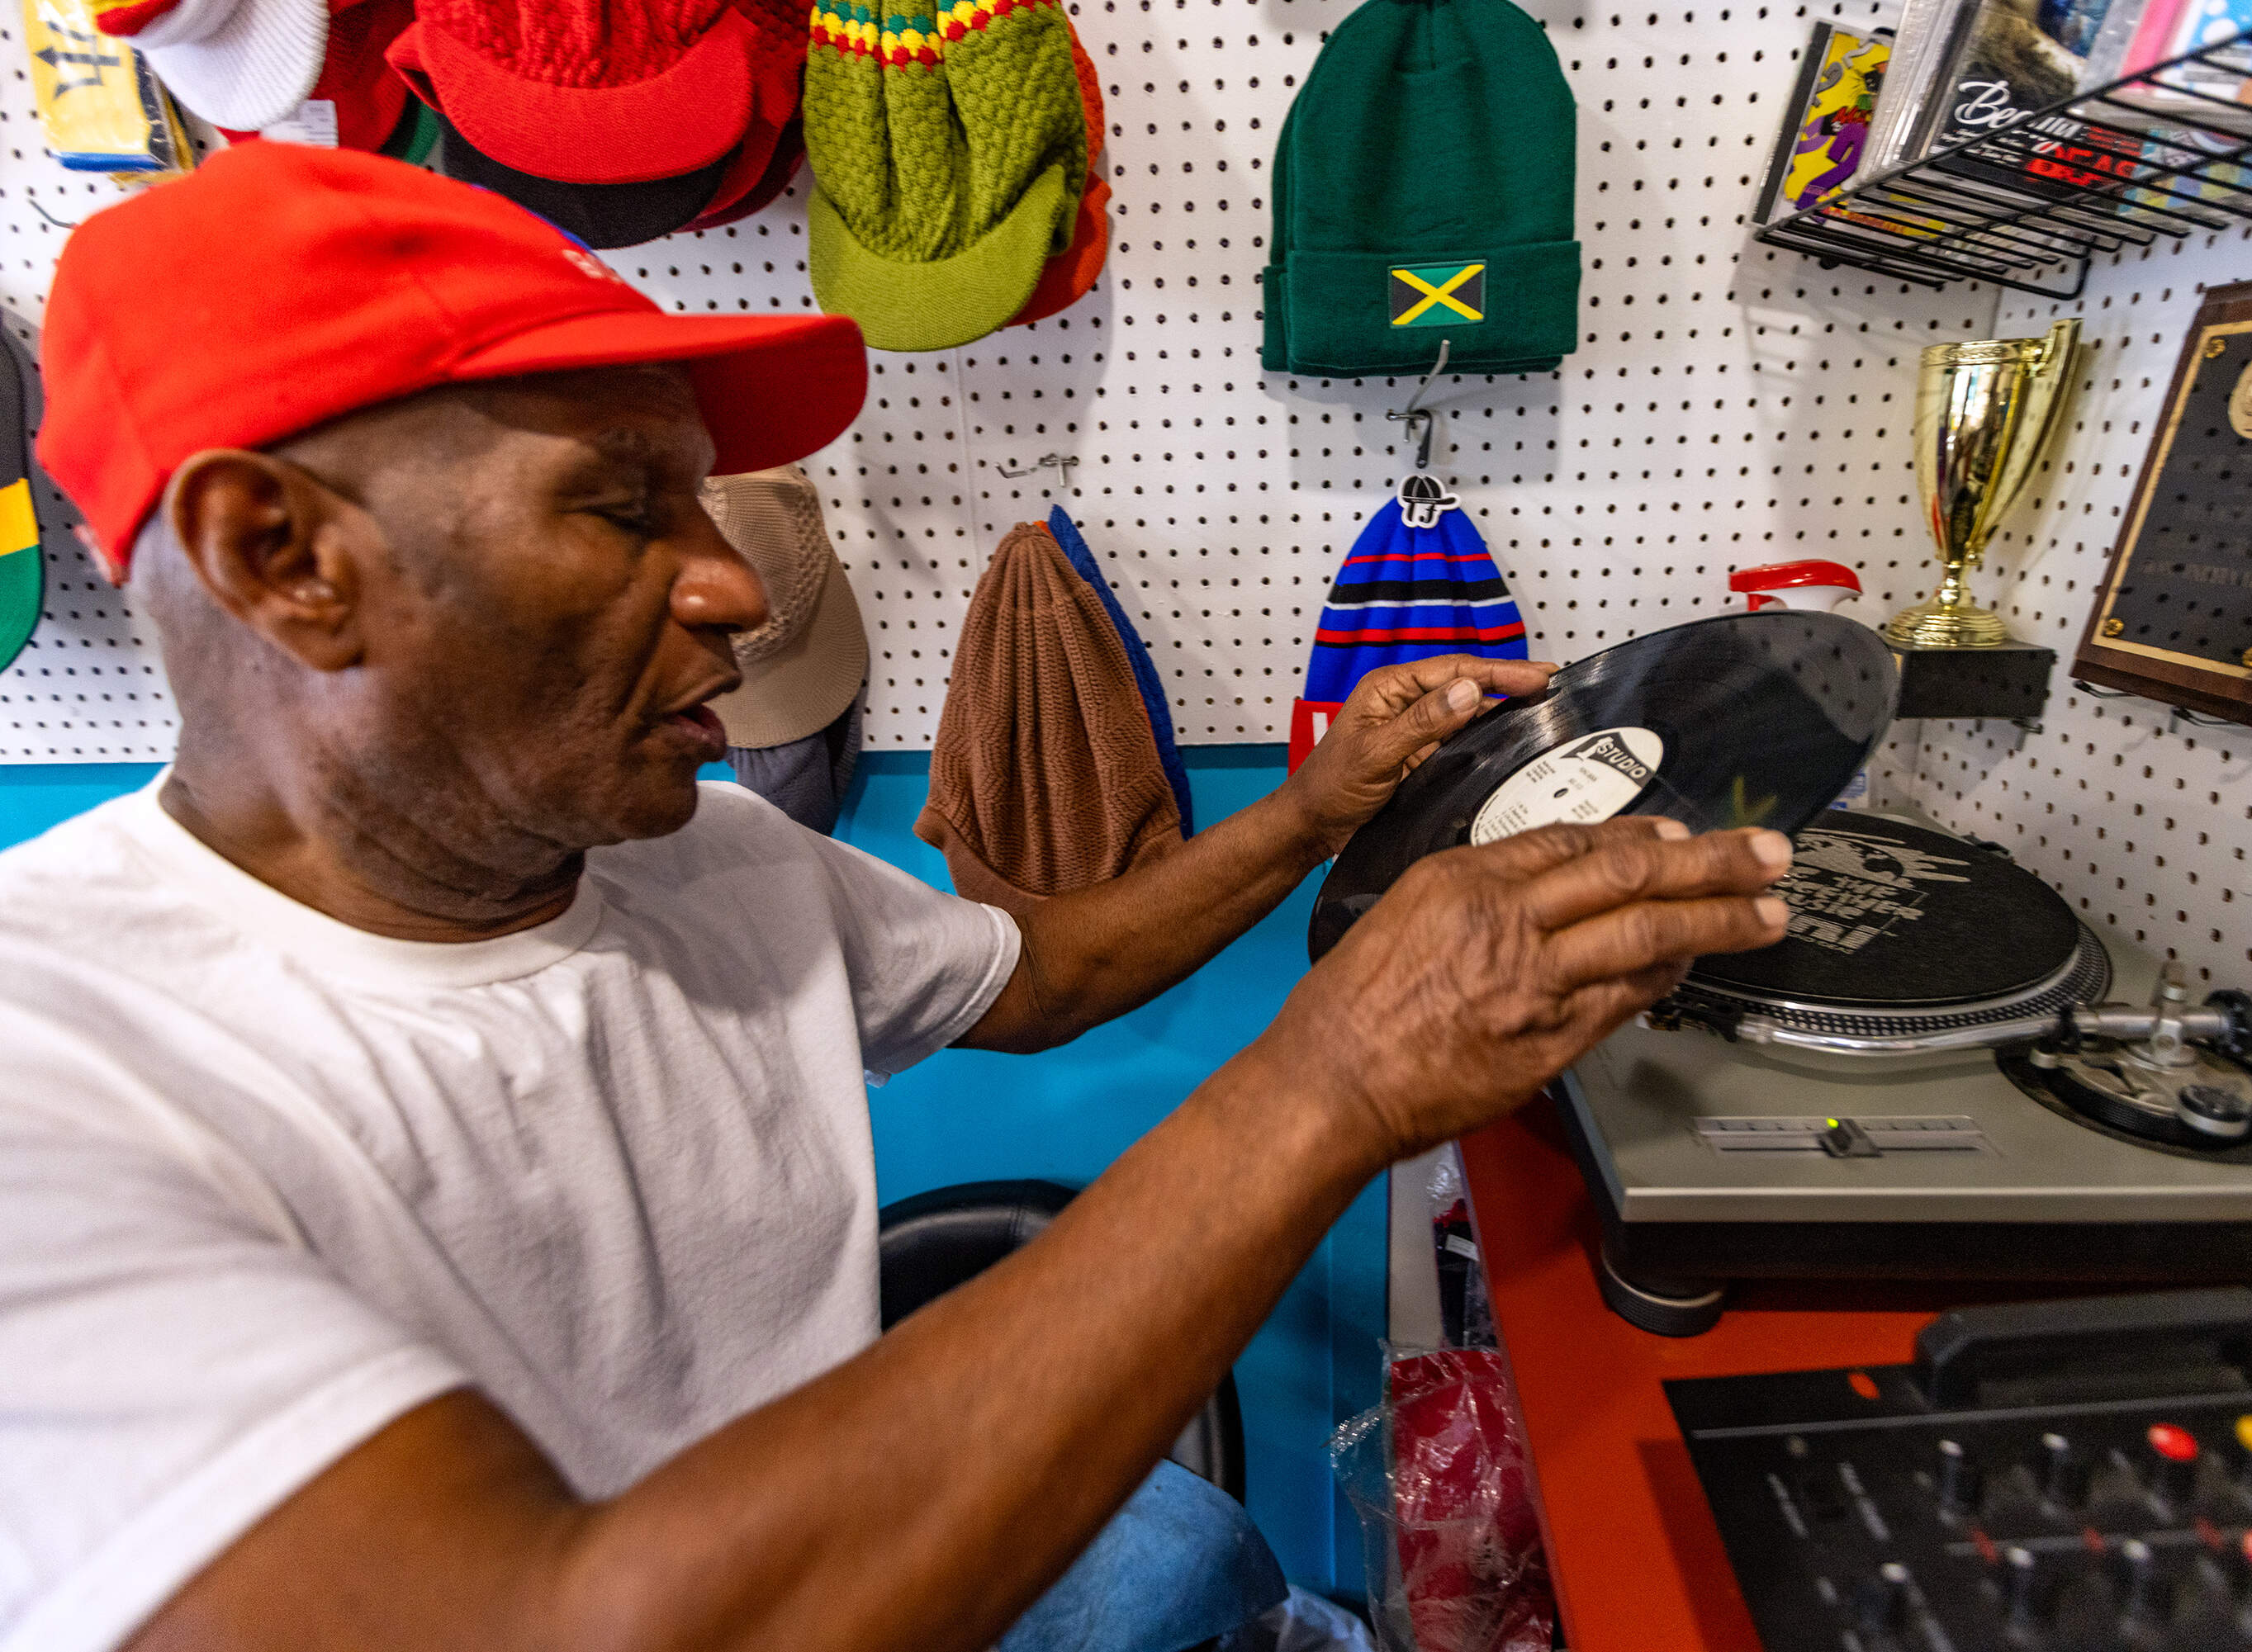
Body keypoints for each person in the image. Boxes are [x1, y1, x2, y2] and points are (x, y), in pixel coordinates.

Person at [0, 144, 1791, 1652]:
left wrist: (1319, 809)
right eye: (626, 509)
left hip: (825, 1549)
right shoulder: (53, 1070)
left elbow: (1049, 967)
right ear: (283, 556)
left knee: (1199, 1562)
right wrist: (1336, 1077)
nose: (734, 589)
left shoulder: (695, 851)